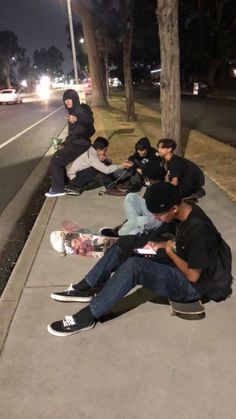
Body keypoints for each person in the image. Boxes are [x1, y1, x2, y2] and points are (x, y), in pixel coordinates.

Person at [47, 182, 232, 337]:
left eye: (159, 215)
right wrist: (160, 245)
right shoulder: (184, 212)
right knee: (127, 243)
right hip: (181, 261)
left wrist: (169, 250)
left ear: (175, 208)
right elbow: (182, 242)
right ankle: (87, 287)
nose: (156, 218)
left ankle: (88, 316)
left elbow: (193, 276)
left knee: (134, 267)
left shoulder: (198, 230)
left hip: (193, 286)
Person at [45, 89, 95, 198]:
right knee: (59, 156)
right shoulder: (73, 110)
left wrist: (77, 119)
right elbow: (75, 132)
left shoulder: (79, 110)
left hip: (80, 144)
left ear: (74, 99)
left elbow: (90, 124)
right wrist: (65, 143)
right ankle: (62, 184)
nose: (67, 102)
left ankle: (58, 189)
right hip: (76, 142)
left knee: (56, 159)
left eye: (69, 99)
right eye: (65, 100)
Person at [99, 159, 166, 237]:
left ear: (149, 178)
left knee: (138, 216)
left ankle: (130, 233)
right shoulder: (155, 186)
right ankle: (132, 230)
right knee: (131, 197)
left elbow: (166, 219)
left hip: (156, 221)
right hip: (152, 217)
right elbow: (138, 209)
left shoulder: (159, 190)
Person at [65, 137, 133, 195]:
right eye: (105, 150)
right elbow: (106, 170)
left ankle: (114, 183)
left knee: (101, 164)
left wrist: (105, 159)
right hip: (74, 181)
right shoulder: (91, 157)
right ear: (98, 150)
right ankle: (110, 188)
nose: (105, 152)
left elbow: (109, 163)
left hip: (77, 175)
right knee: (97, 169)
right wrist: (121, 166)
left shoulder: (91, 149)